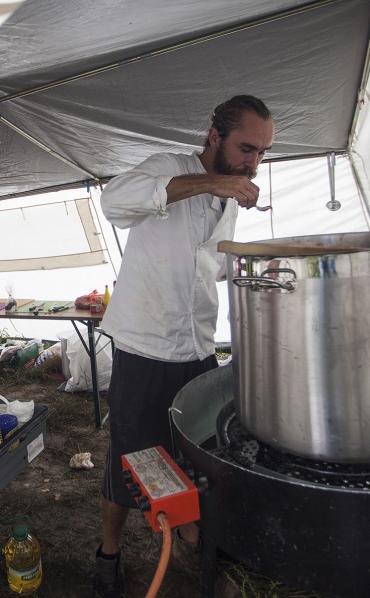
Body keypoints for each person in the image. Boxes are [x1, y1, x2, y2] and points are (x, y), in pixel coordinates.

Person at [93, 95, 274, 597]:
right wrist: (216, 181)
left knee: (196, 459)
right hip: (144, 348)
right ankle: (109, 555)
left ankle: (198, 548)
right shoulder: (168, 169)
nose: (252, 162)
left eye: (261, 153)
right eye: (246, 148)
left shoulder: (227, 203)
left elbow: (212, 267)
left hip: (196, 351)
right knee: (128, 462)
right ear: (214, 134)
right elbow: (112, 203)